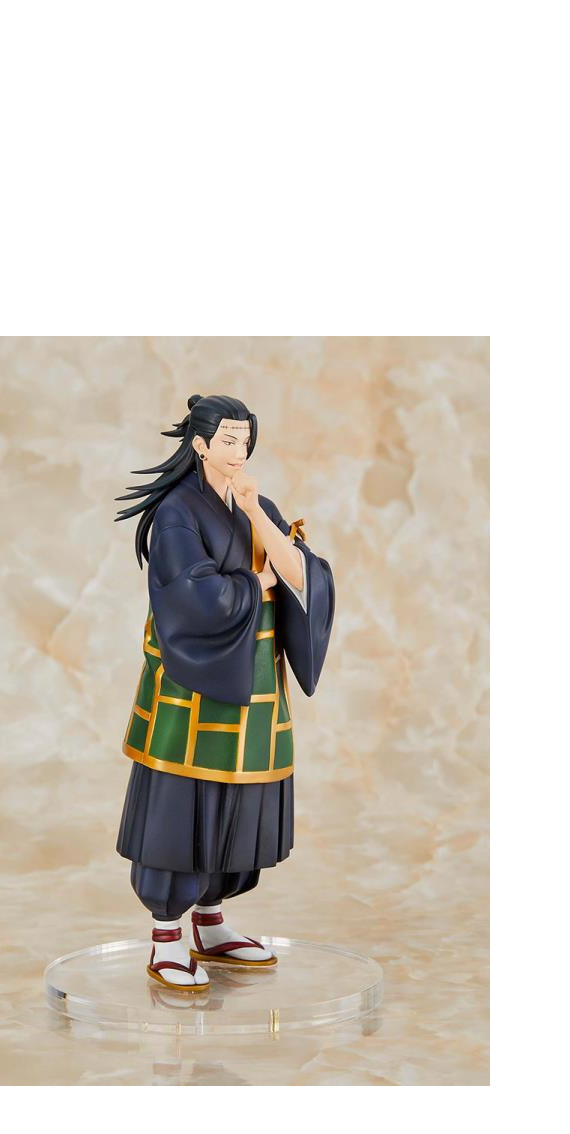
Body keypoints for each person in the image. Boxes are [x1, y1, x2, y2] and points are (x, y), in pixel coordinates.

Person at [114, 394, 335, 990]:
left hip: (255, 677)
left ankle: (210, 924)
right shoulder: (177, 512)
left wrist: (256, 515)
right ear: (200, 444)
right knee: (184, 804)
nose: (239, 451)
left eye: (246, 441)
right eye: (228, 441)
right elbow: (190, 595)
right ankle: (166, 937)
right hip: (194, 681)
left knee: (241, 807)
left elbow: (302, 575)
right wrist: (253, 584)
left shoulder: (256, 503)